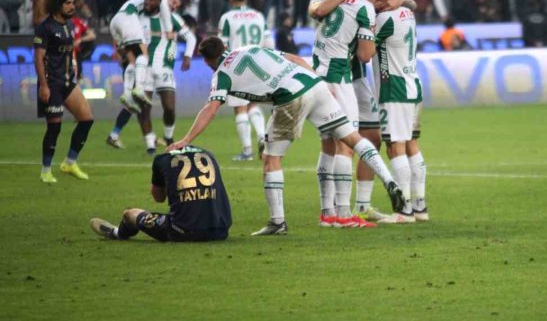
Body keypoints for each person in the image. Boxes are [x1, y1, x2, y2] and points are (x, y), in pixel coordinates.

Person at [167, 38, 405, 236]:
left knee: (271, 158)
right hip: (313, 83)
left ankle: (277, 222)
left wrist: (185, 140)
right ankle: (389, 180)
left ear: (208, 60)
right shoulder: (248, 48)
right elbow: (292, 57)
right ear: (224, 46)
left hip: (289, 96)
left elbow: (210, 108)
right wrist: (317, 79)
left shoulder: (221, 75)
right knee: (351, 138)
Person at [306, 0, 395, 227]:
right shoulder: (365, 8)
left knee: (328, 145)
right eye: (385, 3)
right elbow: (365, 56)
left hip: (317, 74)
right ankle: (344, 213)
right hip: (339, 77)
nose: (385, 8)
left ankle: (328, 212)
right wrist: (370, 33)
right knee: (346, 144)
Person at [374, 0, 429, 224]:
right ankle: (420, 206)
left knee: (394, 146)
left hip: (393, 87)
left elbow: (363, 47)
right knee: (411, 144)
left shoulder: (384, 19)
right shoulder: (407, 11)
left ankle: (404, 211)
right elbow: (410, 3)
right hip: (413, 84)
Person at [107, 0, 195, 152]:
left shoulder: (174, 20)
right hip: (144, 69)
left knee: (169, 108)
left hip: (164, 68)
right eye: (173, 2)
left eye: (177, 5)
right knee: (141, 107)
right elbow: (123, 35)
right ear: (164, 0)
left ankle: (168, 137)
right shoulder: (137, 18)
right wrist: (122, 53)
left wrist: (182, 58)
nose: (174, 6)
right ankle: (148, 145)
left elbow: (186, 40)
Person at [89, 145, 231, 242]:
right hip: (221, 231)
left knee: (129, 214)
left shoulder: (161, 159)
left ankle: (117, 233)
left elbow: (158, 198)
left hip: (183, 231)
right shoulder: (209, 155)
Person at [33, 0, 94, 183]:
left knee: (86, 119)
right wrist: (43, 85)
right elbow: (38, 58)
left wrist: (74, 67)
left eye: (72, 3)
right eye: (67, 3)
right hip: (52, 84)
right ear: (58, 5)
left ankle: (70, 162)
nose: (71, 6)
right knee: (54, 128)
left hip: (68, 82)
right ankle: (45, 170)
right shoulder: (45, 27)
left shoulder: (69, 25)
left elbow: (68, 52)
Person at [218, 0, 274, 161]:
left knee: (240, 108)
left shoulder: (227, 17)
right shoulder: (258, 16)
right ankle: (261, 136)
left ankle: (247, 151)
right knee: (253, 104)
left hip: (237, 65)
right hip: (258, 64)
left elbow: (222, 46)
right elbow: (269, 44)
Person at [110, 0, 174, 109]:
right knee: (144, 54)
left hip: (114, 22)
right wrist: (169, 30)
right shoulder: (163, 0)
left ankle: (127, 94)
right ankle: (139, 88)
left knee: (132, 60)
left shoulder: (138, 2)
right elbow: (165, 9)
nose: (148, 2)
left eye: (151, 0)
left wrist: (118, 49)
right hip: (127, 19)